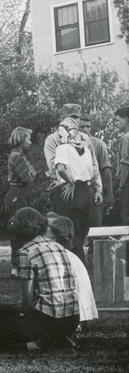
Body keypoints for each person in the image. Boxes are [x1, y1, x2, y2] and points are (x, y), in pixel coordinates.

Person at [0, 208, 79, 351]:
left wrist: (22, 319)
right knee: (0, 309)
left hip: (47, 320)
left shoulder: (25, 252)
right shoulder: (58, 246)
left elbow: (27, 302)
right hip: (71, 319)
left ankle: (34, 344)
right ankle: (56, 338)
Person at [50, 117, 102, 265]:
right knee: (82, 233)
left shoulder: (63, 148)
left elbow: (60, 168)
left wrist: (69, 181)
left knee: (69, 232)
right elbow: (91, 170)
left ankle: (73, 266)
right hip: (87, 191)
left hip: (73, 193)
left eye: (61, 134)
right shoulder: (85, 148)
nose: (60, 137)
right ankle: (85, 265)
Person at [45, 213, 98, 328]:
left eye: (47, 227)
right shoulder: (63, 254)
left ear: (58, 231)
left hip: (74, 316)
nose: (43, 230)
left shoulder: (61, 257)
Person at [5, 127, 36, 275]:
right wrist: (30, 172)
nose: (30, 142)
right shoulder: (17, 157)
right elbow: (28, 177)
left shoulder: (19, 156)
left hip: (20, 193)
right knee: (19, 229)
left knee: (22, 228)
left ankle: (20, 265)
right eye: (28, 139)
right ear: (20, 140)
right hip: (18, 194)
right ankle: (17, 267)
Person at [78, 114, 113, 226]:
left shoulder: (98, 144)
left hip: (94, 190)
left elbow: (106, 168)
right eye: (82, 127)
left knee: (95, 224)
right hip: (77, 190)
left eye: (88, 126)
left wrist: (110, 194)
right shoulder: (70, 143)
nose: (85, 129)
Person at [113, 107, 129, 225]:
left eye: (118, 120)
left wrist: (121, 186)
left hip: (127, 183)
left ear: (126, 120)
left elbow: (125, 165)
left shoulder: (125, 138)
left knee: (126, 216)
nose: (116, 123)